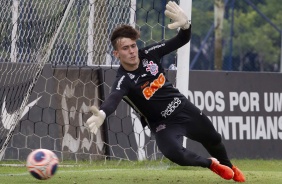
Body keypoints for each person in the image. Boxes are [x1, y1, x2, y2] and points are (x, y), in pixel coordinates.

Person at [86, 1, 245, 182]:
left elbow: (181, 40)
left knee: (214, 138)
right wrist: (102, 114)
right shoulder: (123, 80)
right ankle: (211, 164)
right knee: (175, 154)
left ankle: (230, 167)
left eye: (133, 46)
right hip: (162, 124)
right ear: (116, 54)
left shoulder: (150, 53)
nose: (131, 51)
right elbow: (113, 98)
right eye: (125, 48)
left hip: (182, 107)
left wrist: (186, 26)